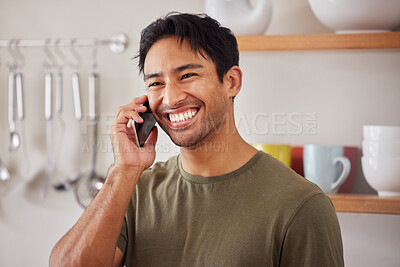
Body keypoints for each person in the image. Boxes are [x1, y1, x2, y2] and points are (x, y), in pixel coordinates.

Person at [49, 12, 344, 267]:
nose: (171, 97)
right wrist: (123, 170)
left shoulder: (302, 205)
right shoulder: (133, 192)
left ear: (231, 82)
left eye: (187, 75)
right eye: (156, 83)